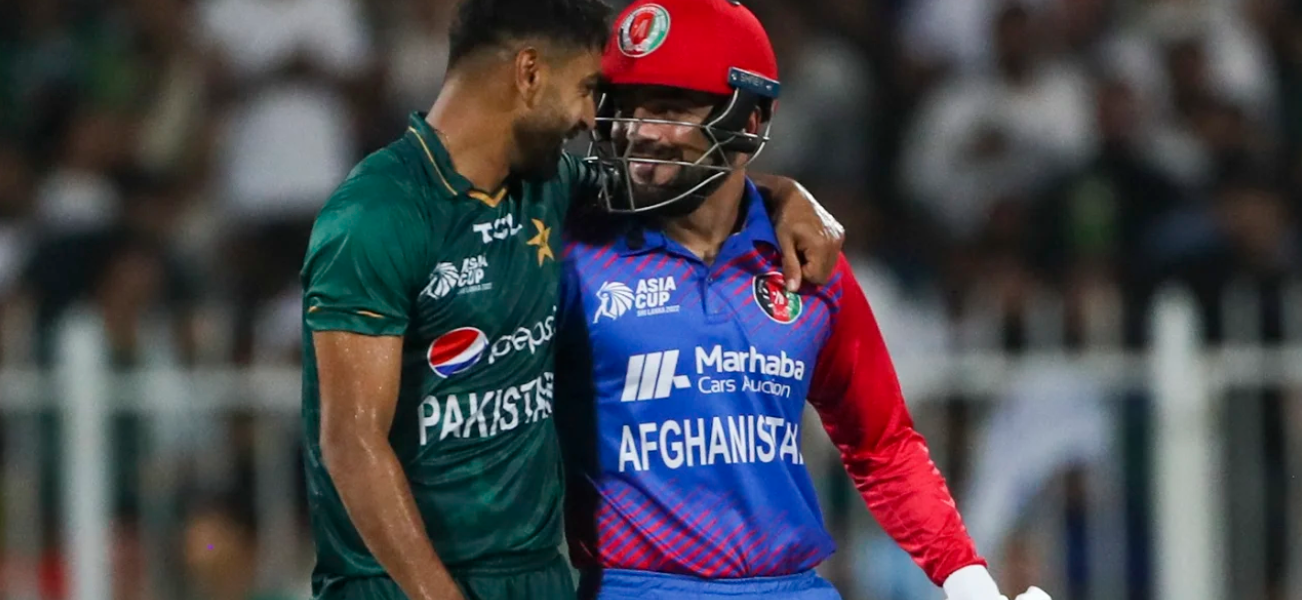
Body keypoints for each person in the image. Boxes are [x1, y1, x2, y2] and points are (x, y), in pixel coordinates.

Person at [298, 0, 843, 599]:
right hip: (394, 583)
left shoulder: (550, 185)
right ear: (529, 73)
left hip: (536, 578)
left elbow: (685, 177)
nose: (592, 118)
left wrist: (787, 196)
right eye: (587, 88)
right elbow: (351, 443)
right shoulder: (377, 214)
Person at [554, 2, 1051, 600]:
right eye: (626, 108)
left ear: (753, 119)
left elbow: (882, 445)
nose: (640, 132)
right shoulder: (567, 249)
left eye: (669, 108)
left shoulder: (808, 261)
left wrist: (968, 581)